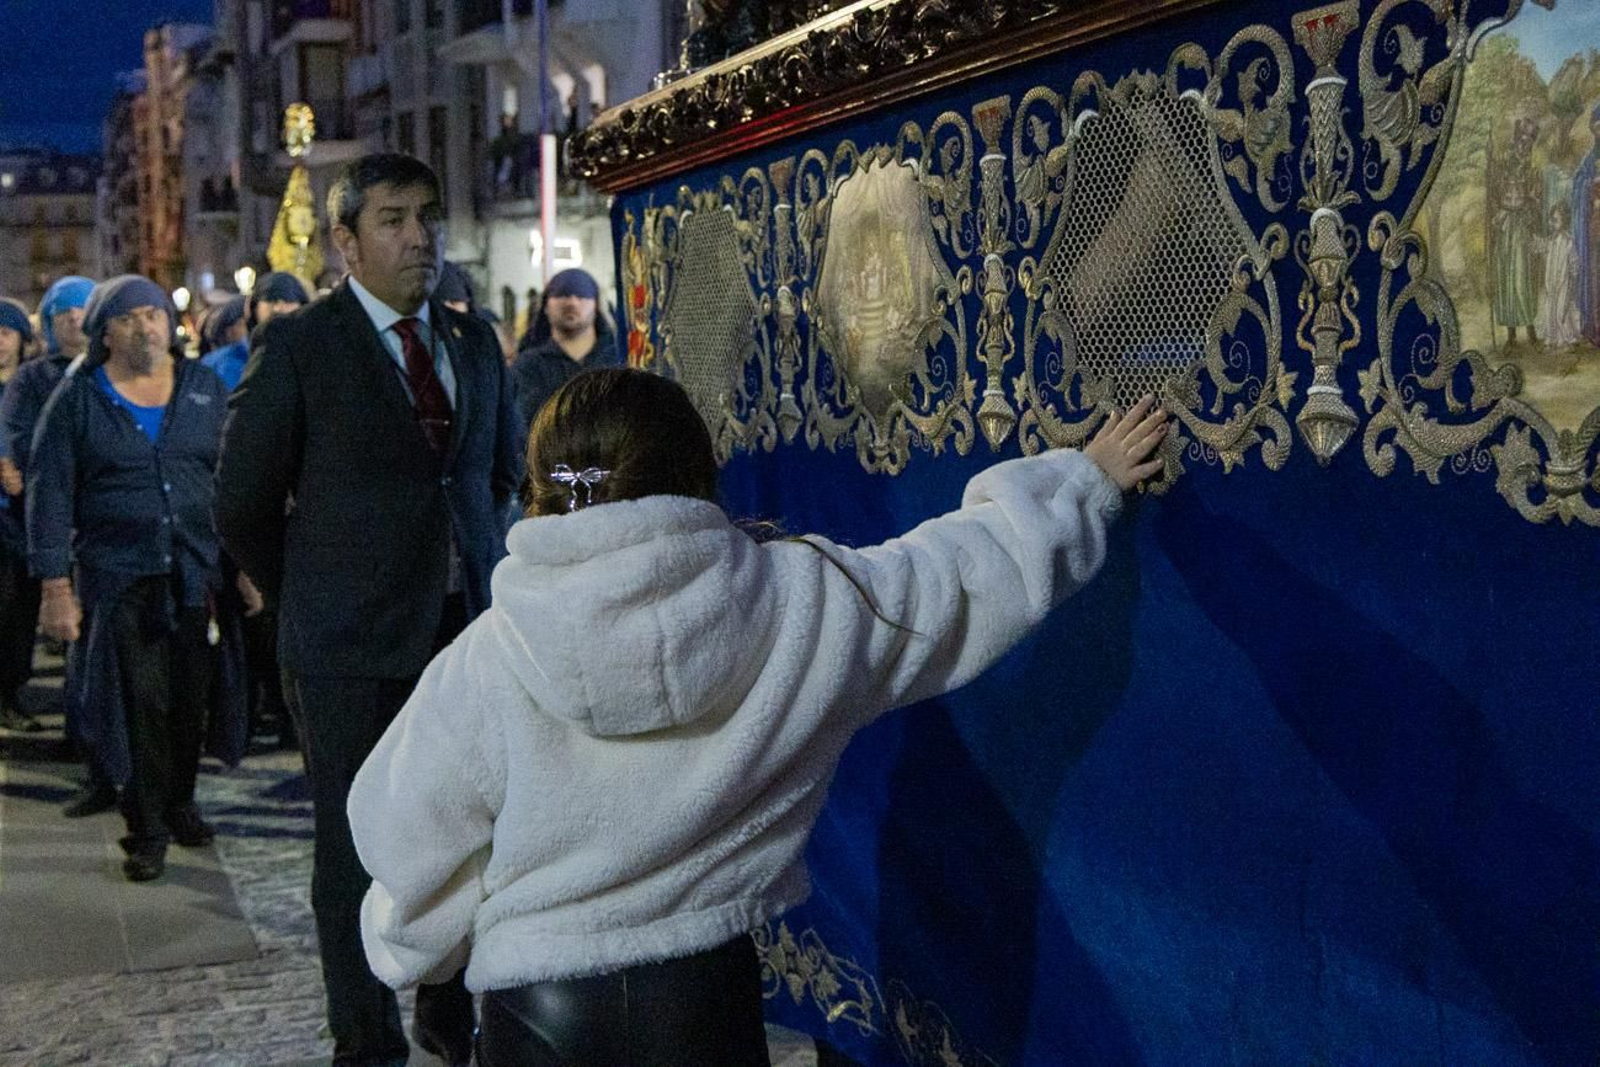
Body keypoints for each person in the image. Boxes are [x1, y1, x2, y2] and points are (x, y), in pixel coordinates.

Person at [348, 368, 1168, 1065]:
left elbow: (413, 842)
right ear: (700, 473)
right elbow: (952, 580)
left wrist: (411, 950)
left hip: (543, 1010)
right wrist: (1081, 483)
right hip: (702, 998)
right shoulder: (799, 600)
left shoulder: (489, 654)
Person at [215, 152, 521, 1067]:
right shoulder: (305, 346)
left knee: (471, 832)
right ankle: (365, 1036)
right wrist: (300, 587)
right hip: (348, 642)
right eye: (392, 219)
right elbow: (240, 502)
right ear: (345, 241)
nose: (418, 236)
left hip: (463, 632)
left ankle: (446, 1001)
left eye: (426, 215)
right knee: (356, 847)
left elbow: (494, 474)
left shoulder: (473, 343)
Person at [27, 275, 243, 881]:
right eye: (130, 317)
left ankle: (181, 802)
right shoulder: (77, 400)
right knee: (138, 705)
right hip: (120, 576)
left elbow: (227, 480)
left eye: (154, 313)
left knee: (190, 701)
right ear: (105, 333)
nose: (147, 325)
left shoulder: (202, 389)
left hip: (194, 572)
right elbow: (49, 495)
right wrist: (54, 587)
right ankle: (145, 827)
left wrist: (244, 566)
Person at [0, 275, 110, 810]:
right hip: (52, 526)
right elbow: (26, 451)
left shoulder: (112, 376)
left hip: (108, 528)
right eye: (63, 312)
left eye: (83, 309)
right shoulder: (33, 381)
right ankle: (86, 742)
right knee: (77, 645)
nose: (73, 320)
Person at [509, 268, 620, 434]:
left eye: (582, 296)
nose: (572, 303)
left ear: (596, 305)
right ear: (546, 306)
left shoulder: (618, 359)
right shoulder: (528, 367)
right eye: (562, 295)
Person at [0, 298, 40, 732]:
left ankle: (11, 690)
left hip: (22, 514)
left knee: (18, 609)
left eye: (6, 333)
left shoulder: (30, 386)